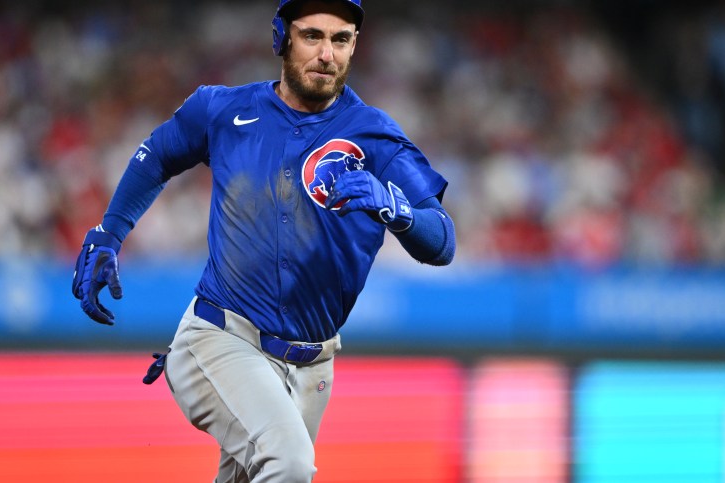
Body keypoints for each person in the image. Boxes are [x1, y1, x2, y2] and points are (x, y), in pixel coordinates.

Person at [71, 0, 456, 480]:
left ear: (354, 46)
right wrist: (110, 231)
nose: (326, 53)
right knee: (288, 464)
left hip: (313, 366)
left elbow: (442, 243)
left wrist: (395, 208)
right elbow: (158, 155)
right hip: (221, 337)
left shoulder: (375, 137)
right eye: (312, 35)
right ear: (281, 38)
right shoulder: (224, 109)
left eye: (340, 40)